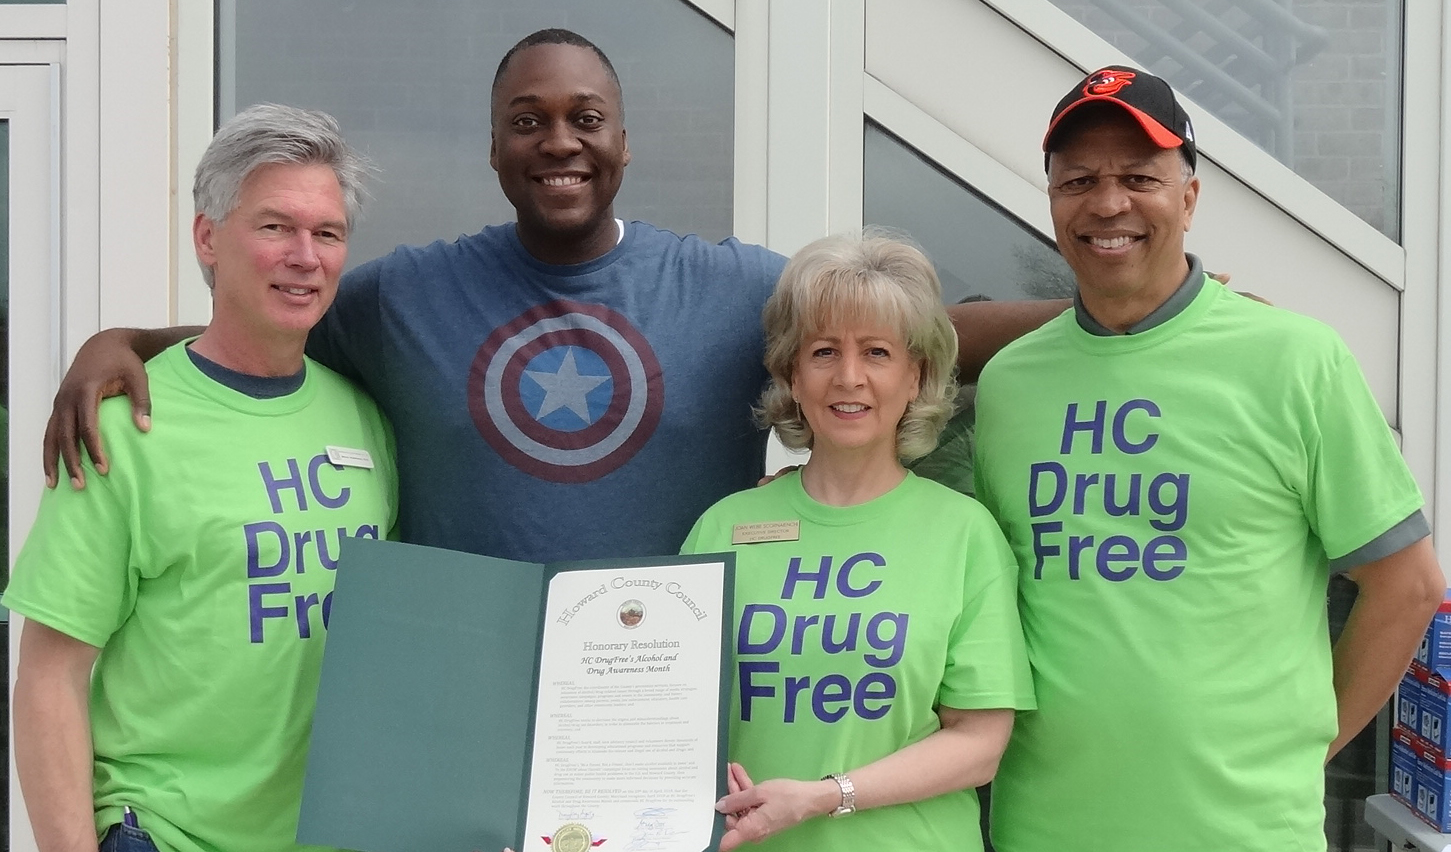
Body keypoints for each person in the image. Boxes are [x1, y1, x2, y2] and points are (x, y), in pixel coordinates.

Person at [41, 28, 1065, 564]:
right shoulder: (407, 297)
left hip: (657, 696)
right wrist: (120, 336)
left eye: (586, 117)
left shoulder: (728, 286)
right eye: (527, 121)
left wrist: (1116, 316)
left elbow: (917, 333)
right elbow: (262, 331)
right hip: (463, 697)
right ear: (493, 147)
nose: (559, 141)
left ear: (624, 141)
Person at [971, 66, 1445, 852]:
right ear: (1051, 201)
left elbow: (1407, 585)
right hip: (1042, 828)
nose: (1107, 202)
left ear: (1188, 199)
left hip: (1243, 832)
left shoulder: (1295, 358)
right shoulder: (1011, 384)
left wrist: (1298, 752)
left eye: (1138, 177)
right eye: (1078, 179)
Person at [6, 104, 398, 852]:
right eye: (275, 226)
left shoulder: (364, 418)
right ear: (208, 238)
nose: (304, 256)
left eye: (327, 233)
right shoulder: (121, 427)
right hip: (166, 833)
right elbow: (50, 677)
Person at [682, 231, 1034, 852]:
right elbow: (664, 717)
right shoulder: (723, 529)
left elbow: (979, 745)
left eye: (876, 352)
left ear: (915, 375)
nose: (849, 378)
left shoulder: (964, 534)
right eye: (823, 352)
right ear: (792, 372)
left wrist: (823, 796)